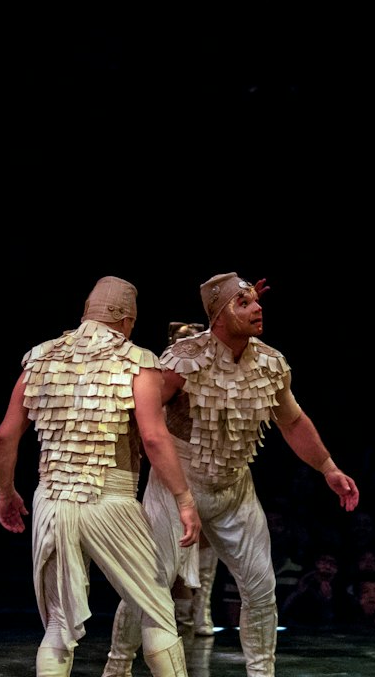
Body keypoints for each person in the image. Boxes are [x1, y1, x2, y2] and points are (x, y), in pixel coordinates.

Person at [104, 275, 357, 677]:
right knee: (147, 584)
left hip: (234, 487)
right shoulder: (183, 359)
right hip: (176, 483)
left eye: (256, 301)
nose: (257, 308)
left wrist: (328, 467)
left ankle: (261, 672)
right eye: (244, 303)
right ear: (219, 316)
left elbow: (292, 422)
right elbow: (141, 420)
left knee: (261, 588)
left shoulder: (271, 363)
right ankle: (116, 668)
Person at [0, 277, 199, 677]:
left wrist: (5, 493)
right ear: (126, 320)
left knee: (57, 623)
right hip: (110, 496)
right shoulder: (138, 361)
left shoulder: (40, 357)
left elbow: (4, 436)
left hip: (51, 498)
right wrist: (184, 500)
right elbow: (155, 438)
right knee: (156, 609)